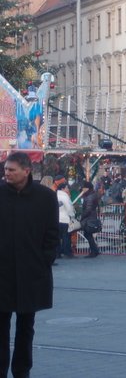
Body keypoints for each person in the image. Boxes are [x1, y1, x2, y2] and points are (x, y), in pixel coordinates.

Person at [0, 151, 59, 378]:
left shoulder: (45, 197)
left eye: (12, 170)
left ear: (27, 171)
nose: (7, 173)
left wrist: (45, 259)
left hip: (31, 273)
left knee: (26, 328)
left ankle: (22, 371)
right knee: (1, 329)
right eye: (5, 169)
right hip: (3, 273)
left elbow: (52, 233)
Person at [79, 180, 102, 258]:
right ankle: (95, 250)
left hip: (89, 218)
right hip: (92, 216)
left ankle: (94, 251)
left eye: (84, 188)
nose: (82, 189)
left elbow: (88, 209)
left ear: (87, 188)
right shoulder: (92, 195)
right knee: (88, 234)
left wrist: (82, 216)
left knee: (87, 234)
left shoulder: (89, 197)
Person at [56, 181, 76, 259]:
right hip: (64, 219)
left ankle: (58, 253)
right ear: (63, 188)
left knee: (57, 237)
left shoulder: (55, 194)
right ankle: (67, 252)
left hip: (57, 218)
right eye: (67, 188)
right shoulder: (65, 196)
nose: (68, 189)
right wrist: (72, 215)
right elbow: (69, 208)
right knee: (66, 236)